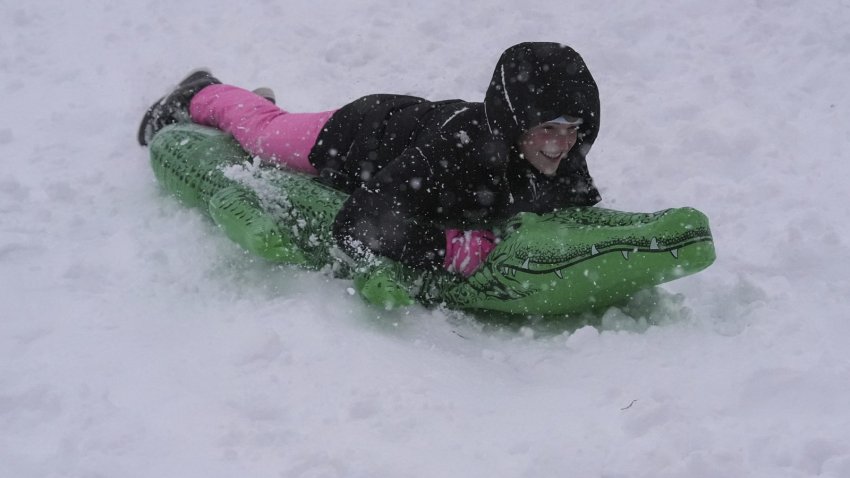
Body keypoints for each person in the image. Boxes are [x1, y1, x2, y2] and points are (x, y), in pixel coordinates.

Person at [138, 42, 602, 277]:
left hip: (412, 121)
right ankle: (202, 91)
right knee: (263, 135)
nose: (559, 146)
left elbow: (578, 205)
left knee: (267, 123)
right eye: (546, 129)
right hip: (357, 134)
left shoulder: (563, 156)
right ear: (514, 122)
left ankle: (251, 100)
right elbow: (358, 224)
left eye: (570, 130)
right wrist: (450, 250)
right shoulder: (453, 153)